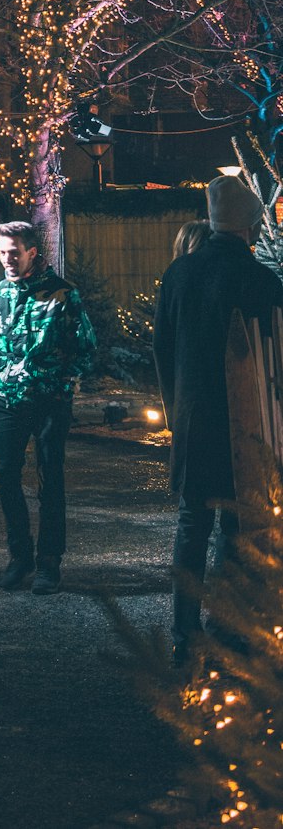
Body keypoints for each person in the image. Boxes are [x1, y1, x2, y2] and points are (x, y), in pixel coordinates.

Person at [153, 174, 283, 666]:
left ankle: (183, 629)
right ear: (249, 228)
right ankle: (227, 627)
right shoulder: (261, 280)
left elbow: (162, 348)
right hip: (247, 425)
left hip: (192, 419)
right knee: (237, 526)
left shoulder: (180, 274)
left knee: (191, 526)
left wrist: (174, 411)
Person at [0, 221, 95, 595]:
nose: (8, 260)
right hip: (6, 399)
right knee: (5, 477)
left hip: (48, 399)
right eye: (2, 253)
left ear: (32, 251)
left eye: (14, 252)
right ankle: (20, 557)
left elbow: (86, 346)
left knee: (50, 479)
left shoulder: (63, 295)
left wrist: (63, 383)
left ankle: (49, 563)